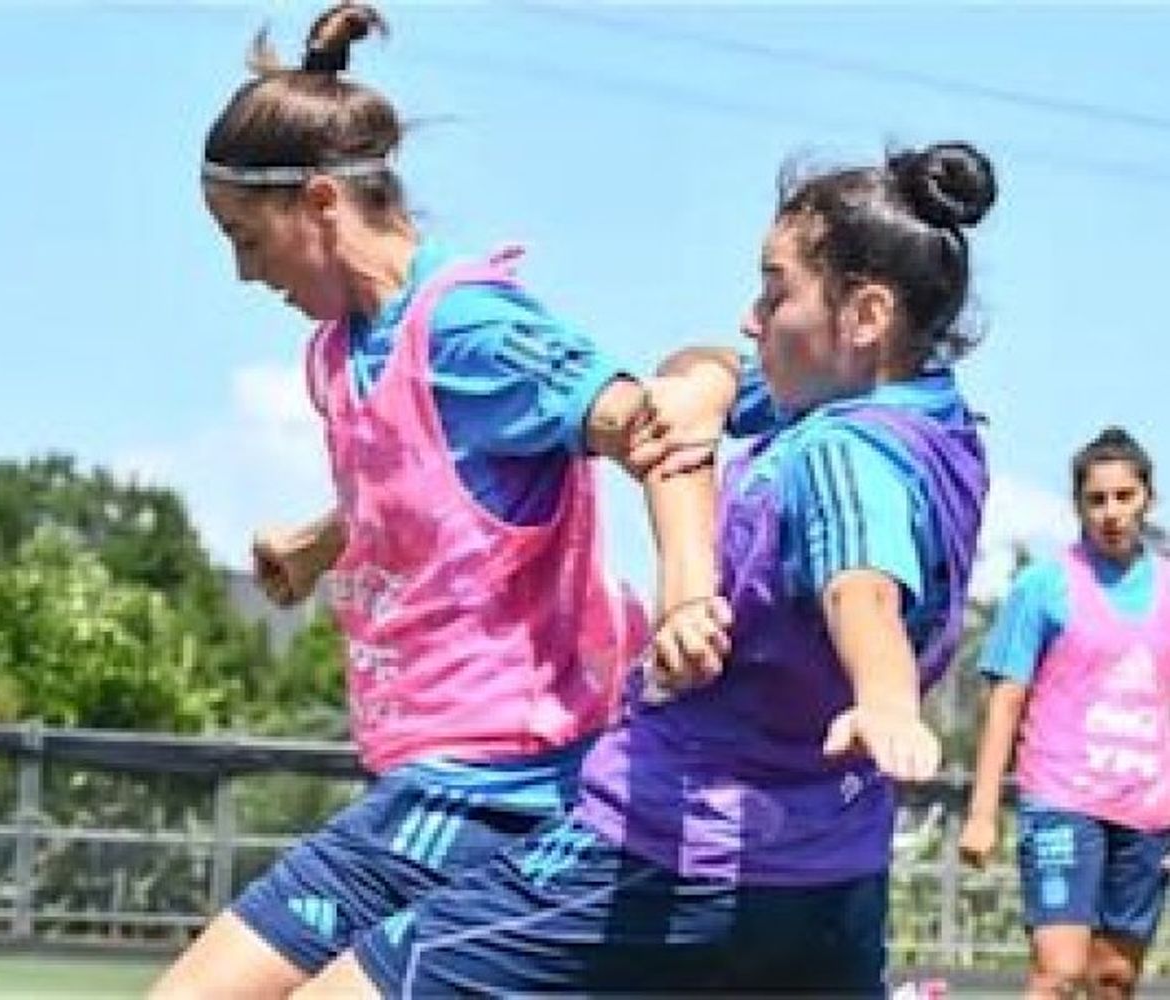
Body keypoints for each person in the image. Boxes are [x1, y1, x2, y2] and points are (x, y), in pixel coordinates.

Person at [293, 140, 997, 998]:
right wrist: (700, 387)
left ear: (866, 316)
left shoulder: (842, 452)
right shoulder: (930, 418)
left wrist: (884, 700)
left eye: (775, 291)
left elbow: (865, 588)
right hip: (830, 879)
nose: (752, 317)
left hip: (667, 851)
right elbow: (693, 376)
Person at [147, 4, 711, 997]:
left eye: (247, 237)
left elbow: (659, 433)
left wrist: (686, 596)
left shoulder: (471, 328)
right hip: (427, 776)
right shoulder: (339, 352)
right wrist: (327, 541)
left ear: (320, 201)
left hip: (512, 781)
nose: (242, 271)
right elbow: (441, 483)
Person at [960, 427, 1169, 999]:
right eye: (1096, 500)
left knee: (1114, 978)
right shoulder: (1043, 587)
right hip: (1062, 798)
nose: (1111, 513)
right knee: (1060, 969)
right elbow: (1005, 702)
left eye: (1124, 497)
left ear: (1148, 497)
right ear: (1077, 505)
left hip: (1146, 808)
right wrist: (981, 813)